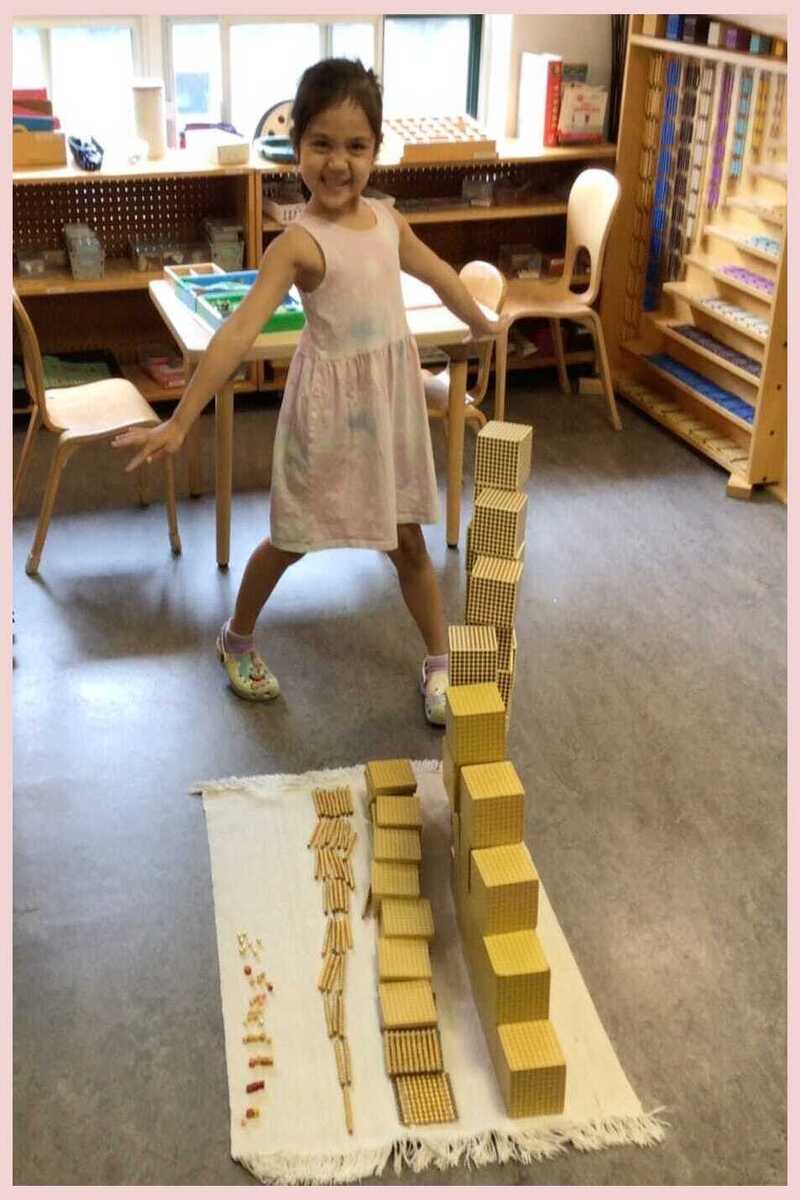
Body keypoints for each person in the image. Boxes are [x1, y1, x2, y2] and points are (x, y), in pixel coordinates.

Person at [113, 58, 508, 726]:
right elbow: (239, 332)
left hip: (386, 412)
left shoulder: (388, 222)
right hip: (326, 417)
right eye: (322, 143)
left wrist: (481, 321)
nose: (338, 162)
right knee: (292, 538)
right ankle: (236, 637)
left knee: (407, 539)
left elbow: (440, 272)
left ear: (376, 152)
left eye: (356, 146)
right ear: (295, 147)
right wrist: (181, 419)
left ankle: (439, 662)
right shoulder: (297, 243)